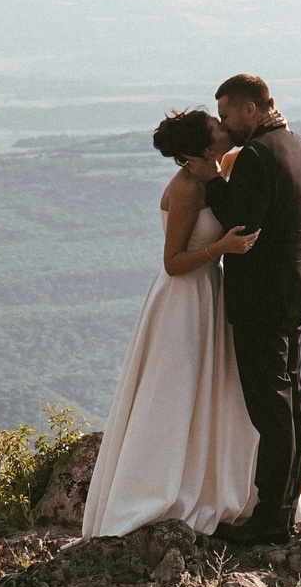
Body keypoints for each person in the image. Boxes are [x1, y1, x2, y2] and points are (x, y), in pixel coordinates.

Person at [79, 108, 273, 538]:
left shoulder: (218, 174)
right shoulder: (186, 188)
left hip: (211, 294)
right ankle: (157, 488)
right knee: (174, 395)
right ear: (206, 146)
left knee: (215, 391)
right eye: (220, 128)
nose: (227, 130)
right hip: (184, 298)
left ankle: (211, 483)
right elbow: (172, 263)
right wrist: (220, 247)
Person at [201, 72, 301, 546]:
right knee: (292, 396)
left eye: (227, 115)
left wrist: (211, 180)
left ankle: (273, 516)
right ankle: (285, 507)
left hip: (261, 295)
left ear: (251, 108)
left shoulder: (256, 157)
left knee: (271, 406)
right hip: (295, 289)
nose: (226, 125)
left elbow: (237, 221)